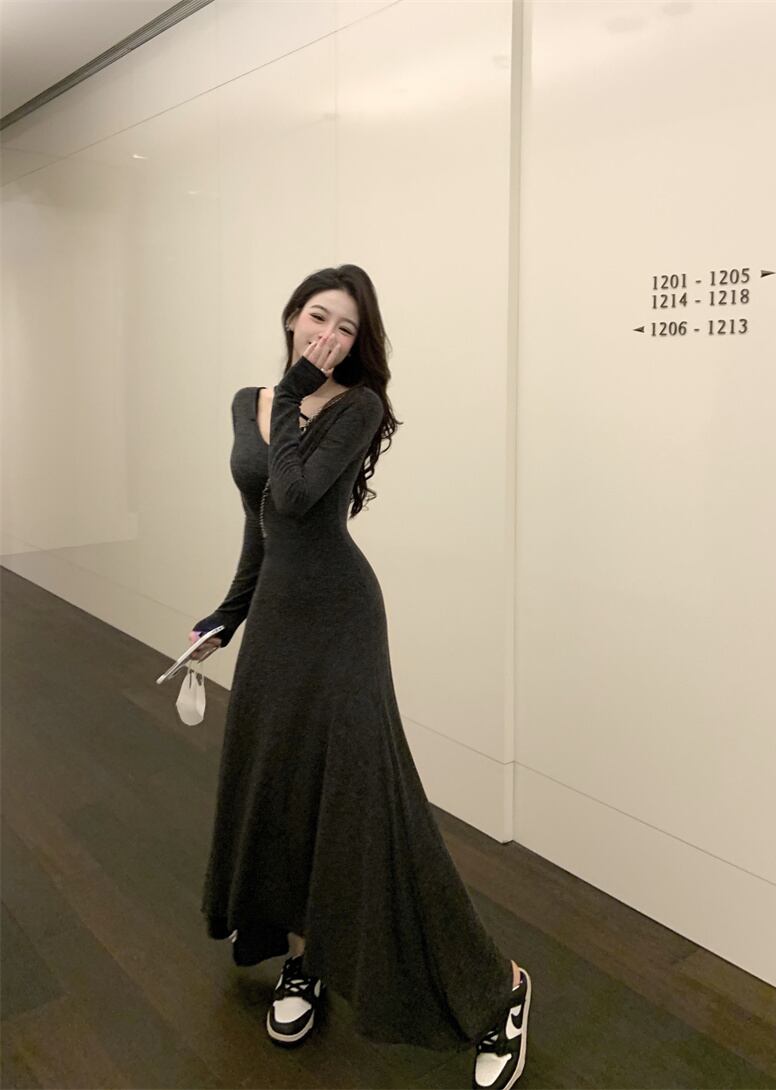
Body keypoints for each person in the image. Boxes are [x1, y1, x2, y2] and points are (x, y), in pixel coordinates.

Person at [188, 264, 531, 1089]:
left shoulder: (357, 406)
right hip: (276, 622)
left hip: (341, 620)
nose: (328, 336)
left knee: (370, 806)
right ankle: (304, 959)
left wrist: (297, 391)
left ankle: (499, 990)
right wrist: (225, 617)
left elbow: (297, 495)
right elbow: (262, 524)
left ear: (357, 342)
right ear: (291, 316)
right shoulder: (247, 403)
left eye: (345, 328)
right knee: (282, 789)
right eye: (318, 317)